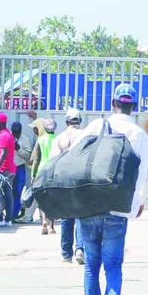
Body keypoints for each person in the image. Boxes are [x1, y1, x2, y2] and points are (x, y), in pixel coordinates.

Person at [78, 83, 148, 295]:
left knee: (91, 265)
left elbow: (75, 157)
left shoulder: (95, 126)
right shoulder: (139, 135)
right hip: (118, 207)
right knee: (113, 264)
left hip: (89, 204)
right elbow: (146, 173)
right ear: (133, 106)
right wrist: (139, 200)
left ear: (113, 104)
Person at [52, 108, 87, 263]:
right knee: (80, 215)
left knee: (66, 217)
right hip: (81, 181)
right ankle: (80, 249)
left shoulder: (59, 138)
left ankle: (66, 253)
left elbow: (53, 161)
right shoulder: (86, 136)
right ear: (79, 121)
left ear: (66, 121)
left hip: (64, 181)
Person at [30, 118, 58, 235]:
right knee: (52, 199)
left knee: (43, 199)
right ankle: (51, 226)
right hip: (54, 171)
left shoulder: (40, 140)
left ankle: (43, 223)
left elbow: (36, 159)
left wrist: (33, 175)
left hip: (42, 172)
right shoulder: (57, 139)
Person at [0, 112, 17, 226]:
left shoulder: (3, 136)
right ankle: (7, 219)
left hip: (3, 169)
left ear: (1, 123)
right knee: (7, 193)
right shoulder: (4, 134)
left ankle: (1, 219)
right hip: (6, 169)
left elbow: (3, 153)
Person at [11, 121, 33, 219]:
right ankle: (7, 214)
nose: (15, 134)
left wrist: (19, 148)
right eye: (14, 132)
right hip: (9, 168)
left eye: (17, 132)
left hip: (19, 167)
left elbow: (29, 156)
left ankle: (15, 214)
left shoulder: (25, 139)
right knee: (8, 192)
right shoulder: (8, 137)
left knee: (18, 191)